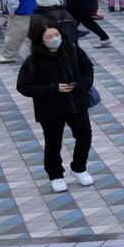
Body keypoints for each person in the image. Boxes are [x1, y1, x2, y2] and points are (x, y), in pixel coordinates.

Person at [16, 14, 97, 194]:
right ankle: (55, 175)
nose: (55, 39)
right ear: (40, 40)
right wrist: (52, 88)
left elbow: (87, 68)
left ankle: (79, 167)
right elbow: (23, 87)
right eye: (49, 37)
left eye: (56, 35)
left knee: (84, 136)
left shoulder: (73, 49)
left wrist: (82, 86)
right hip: (50, 108)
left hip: (76, 103)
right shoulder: (34, 61)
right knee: (53, 143)